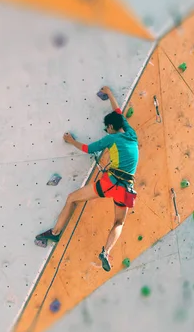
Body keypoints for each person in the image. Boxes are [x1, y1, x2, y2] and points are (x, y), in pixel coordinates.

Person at [35, 86, 139, 272]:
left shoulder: (111, 139)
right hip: (126, 189)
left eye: (107, 128)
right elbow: (118, 112)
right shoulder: (131, 134)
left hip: (110, 184)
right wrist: (110, 94)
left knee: (72, 198)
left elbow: (88, 149)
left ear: (110, 128)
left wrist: (70, 140)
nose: (106, 130)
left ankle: (55, 232)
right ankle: (106, 252)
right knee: (119, 222)